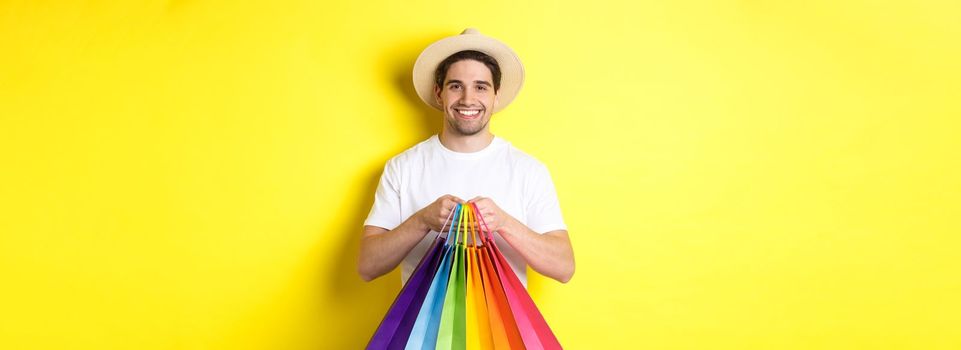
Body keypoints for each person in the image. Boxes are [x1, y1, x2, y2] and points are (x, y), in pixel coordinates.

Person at [358, 28, 574, 287]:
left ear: (496, 96)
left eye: (480, 87)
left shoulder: (528, 170)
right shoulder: (403, 167)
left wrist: (504, 223)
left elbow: (564, 268)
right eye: (456, 86)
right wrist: (422, 220)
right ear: (439, 93)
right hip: (425, 328)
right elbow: (367, 266)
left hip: (504, 328)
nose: (468, 99)